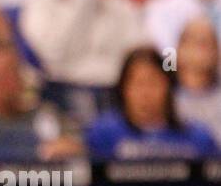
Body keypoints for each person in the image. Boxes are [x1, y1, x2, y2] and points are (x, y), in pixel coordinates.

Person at [86, 45, 219, 157]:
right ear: (123, 88)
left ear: (169, 87)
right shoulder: (103, 133)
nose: (145, 93)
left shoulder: (198, 137)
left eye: (153, 83)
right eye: (138, 84)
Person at [174, 17, 221, 142]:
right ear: (177, 50)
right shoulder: (162, 94)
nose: (200, 46)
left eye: (207, 41)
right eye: (192, 39)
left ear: (218, 51)